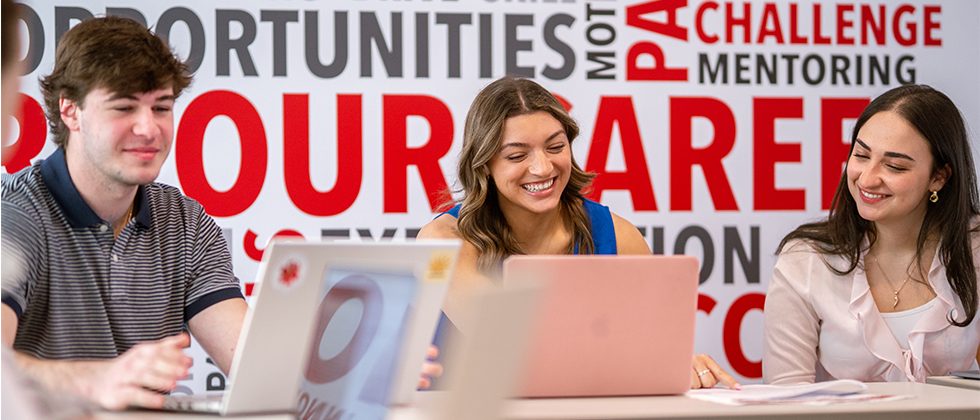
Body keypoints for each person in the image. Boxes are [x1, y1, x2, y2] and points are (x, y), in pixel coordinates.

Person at [418, 75, 740, 390]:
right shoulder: (441, 242)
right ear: (484, 164)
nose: (543, 168)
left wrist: (679, 364)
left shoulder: (618, 236)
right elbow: (511, 350)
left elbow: (659, 350)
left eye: (555, 147)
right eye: (517, 155)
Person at [0, 16, 249, 410]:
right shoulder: (13, 213)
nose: (148, 129)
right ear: (70, 111)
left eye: (161, 107)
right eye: (124, 107)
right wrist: (93, 380)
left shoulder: (185, 222)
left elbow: (253, 364)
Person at [763, 84, 980, 384]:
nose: (867, 179)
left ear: (939, 177)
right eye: (861, 155)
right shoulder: (806, 259)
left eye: (894, 166)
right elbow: (786, 395)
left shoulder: (973, 248)